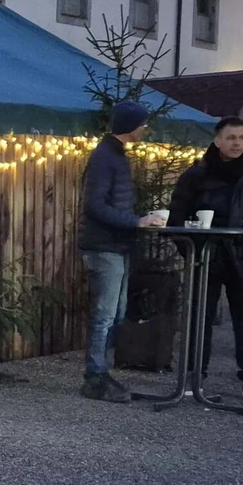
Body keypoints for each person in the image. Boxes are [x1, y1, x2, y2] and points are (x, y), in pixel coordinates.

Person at [167, 116, 243, 403]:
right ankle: (195, 375)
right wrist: (189, 249)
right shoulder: (198, 173)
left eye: (241, 138)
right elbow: (177, 212)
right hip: (207, 254)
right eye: (231, 138)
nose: (237, 143)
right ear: (217, 141)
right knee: (200, 318)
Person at [78, 100, 165, 402]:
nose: (145, 128)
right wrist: (136, 221)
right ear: (130, 125)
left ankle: (99, 373)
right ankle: (95, 378)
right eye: (142, 123)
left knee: (114, 314)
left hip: (117, 245)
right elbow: (94, 205)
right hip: (104, 246)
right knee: (104, 315)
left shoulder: (115, 155)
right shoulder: (105, 158)